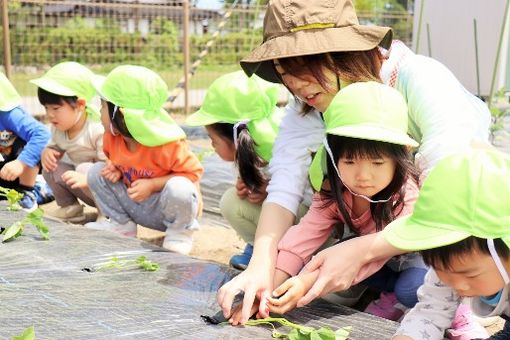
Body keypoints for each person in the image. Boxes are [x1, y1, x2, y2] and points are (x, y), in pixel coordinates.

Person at [217, 0, 491, 332]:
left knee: (417, 279)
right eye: (283, 68)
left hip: (431, 224)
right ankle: (349, 283)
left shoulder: (418, 79)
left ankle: (390, 286)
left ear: (346, 52)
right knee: (239, 205)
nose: (297, 84)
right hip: (363, 218)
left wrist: (361, 252)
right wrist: (263, 267)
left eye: (305, 63)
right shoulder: (308, 102)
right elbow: (287, 182)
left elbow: (450, 198)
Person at [253, 81, 426, 323]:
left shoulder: (405, 192)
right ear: (333, 156)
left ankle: (454, 313)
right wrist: (271, 286)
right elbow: (304, 234)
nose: (363, 176)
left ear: (400, 157)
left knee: (412, 289)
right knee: (328, 264)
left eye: (377, 163)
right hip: (374, 262)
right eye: (349, 162)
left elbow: (388, 242)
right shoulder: (333, 189)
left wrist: (306, 281)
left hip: (411, 257)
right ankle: (387, 294)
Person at [186, 71, 307, 269]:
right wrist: (249, 185)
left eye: (214, 140)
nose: (212, 146)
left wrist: (269, 190)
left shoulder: (285, 148)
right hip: (285, 219)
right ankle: (259, 246)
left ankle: (289, 256)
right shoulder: (250, 151)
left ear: (236, 138)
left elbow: (310, 197)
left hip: (311, 223)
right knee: (231, 201)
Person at [382, 148, 508, 340]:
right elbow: (430, 314)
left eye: (470, 274)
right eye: (441, 269)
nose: (457, 285)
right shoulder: (453, 268)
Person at [85, 65, 204, 256]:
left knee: (180, 187)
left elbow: (192, 175)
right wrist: (115, 168)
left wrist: (153, 184)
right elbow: (118, 161)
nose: (99, 111)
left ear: (120, 114)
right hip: (135, 204)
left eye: (103, 105)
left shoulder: (167, 144)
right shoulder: (112, 137)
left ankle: (180, 233)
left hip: (165, 210)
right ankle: (122, 225)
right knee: (95, 172)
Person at [32, 61, 106, 223]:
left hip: (107, 192)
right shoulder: (58, 128)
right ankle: (70, 207)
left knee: (84, 168)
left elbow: (110, 167)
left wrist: (88, 176)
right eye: (46, 108)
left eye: (56, 109)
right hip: (82, 185)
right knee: (51, 167)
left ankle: (105, 214)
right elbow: (55, 146)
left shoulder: (96, 129)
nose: (50, 115)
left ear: (79, 105)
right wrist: (47, 152)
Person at [0, 72, 51, 211]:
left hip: (18, 167)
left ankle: (28, 191)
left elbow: (43, 134)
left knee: (25, 142)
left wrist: (20, 163)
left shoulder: (9, 114)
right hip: (3, 175)